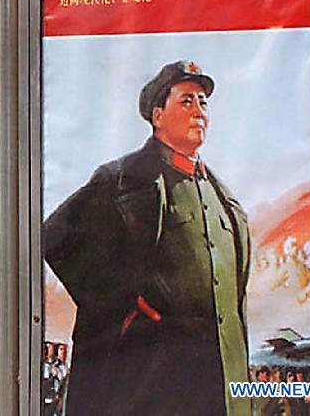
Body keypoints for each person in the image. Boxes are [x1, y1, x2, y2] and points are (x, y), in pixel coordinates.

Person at [43, 60, 252, 416]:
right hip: (151, 382)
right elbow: (54, 237)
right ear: (158, 115)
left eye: (203, 102)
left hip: (219, 386)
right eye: (186, 101)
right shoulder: (123, 180)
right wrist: (120, 300)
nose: (198, 111)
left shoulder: (222, 196)